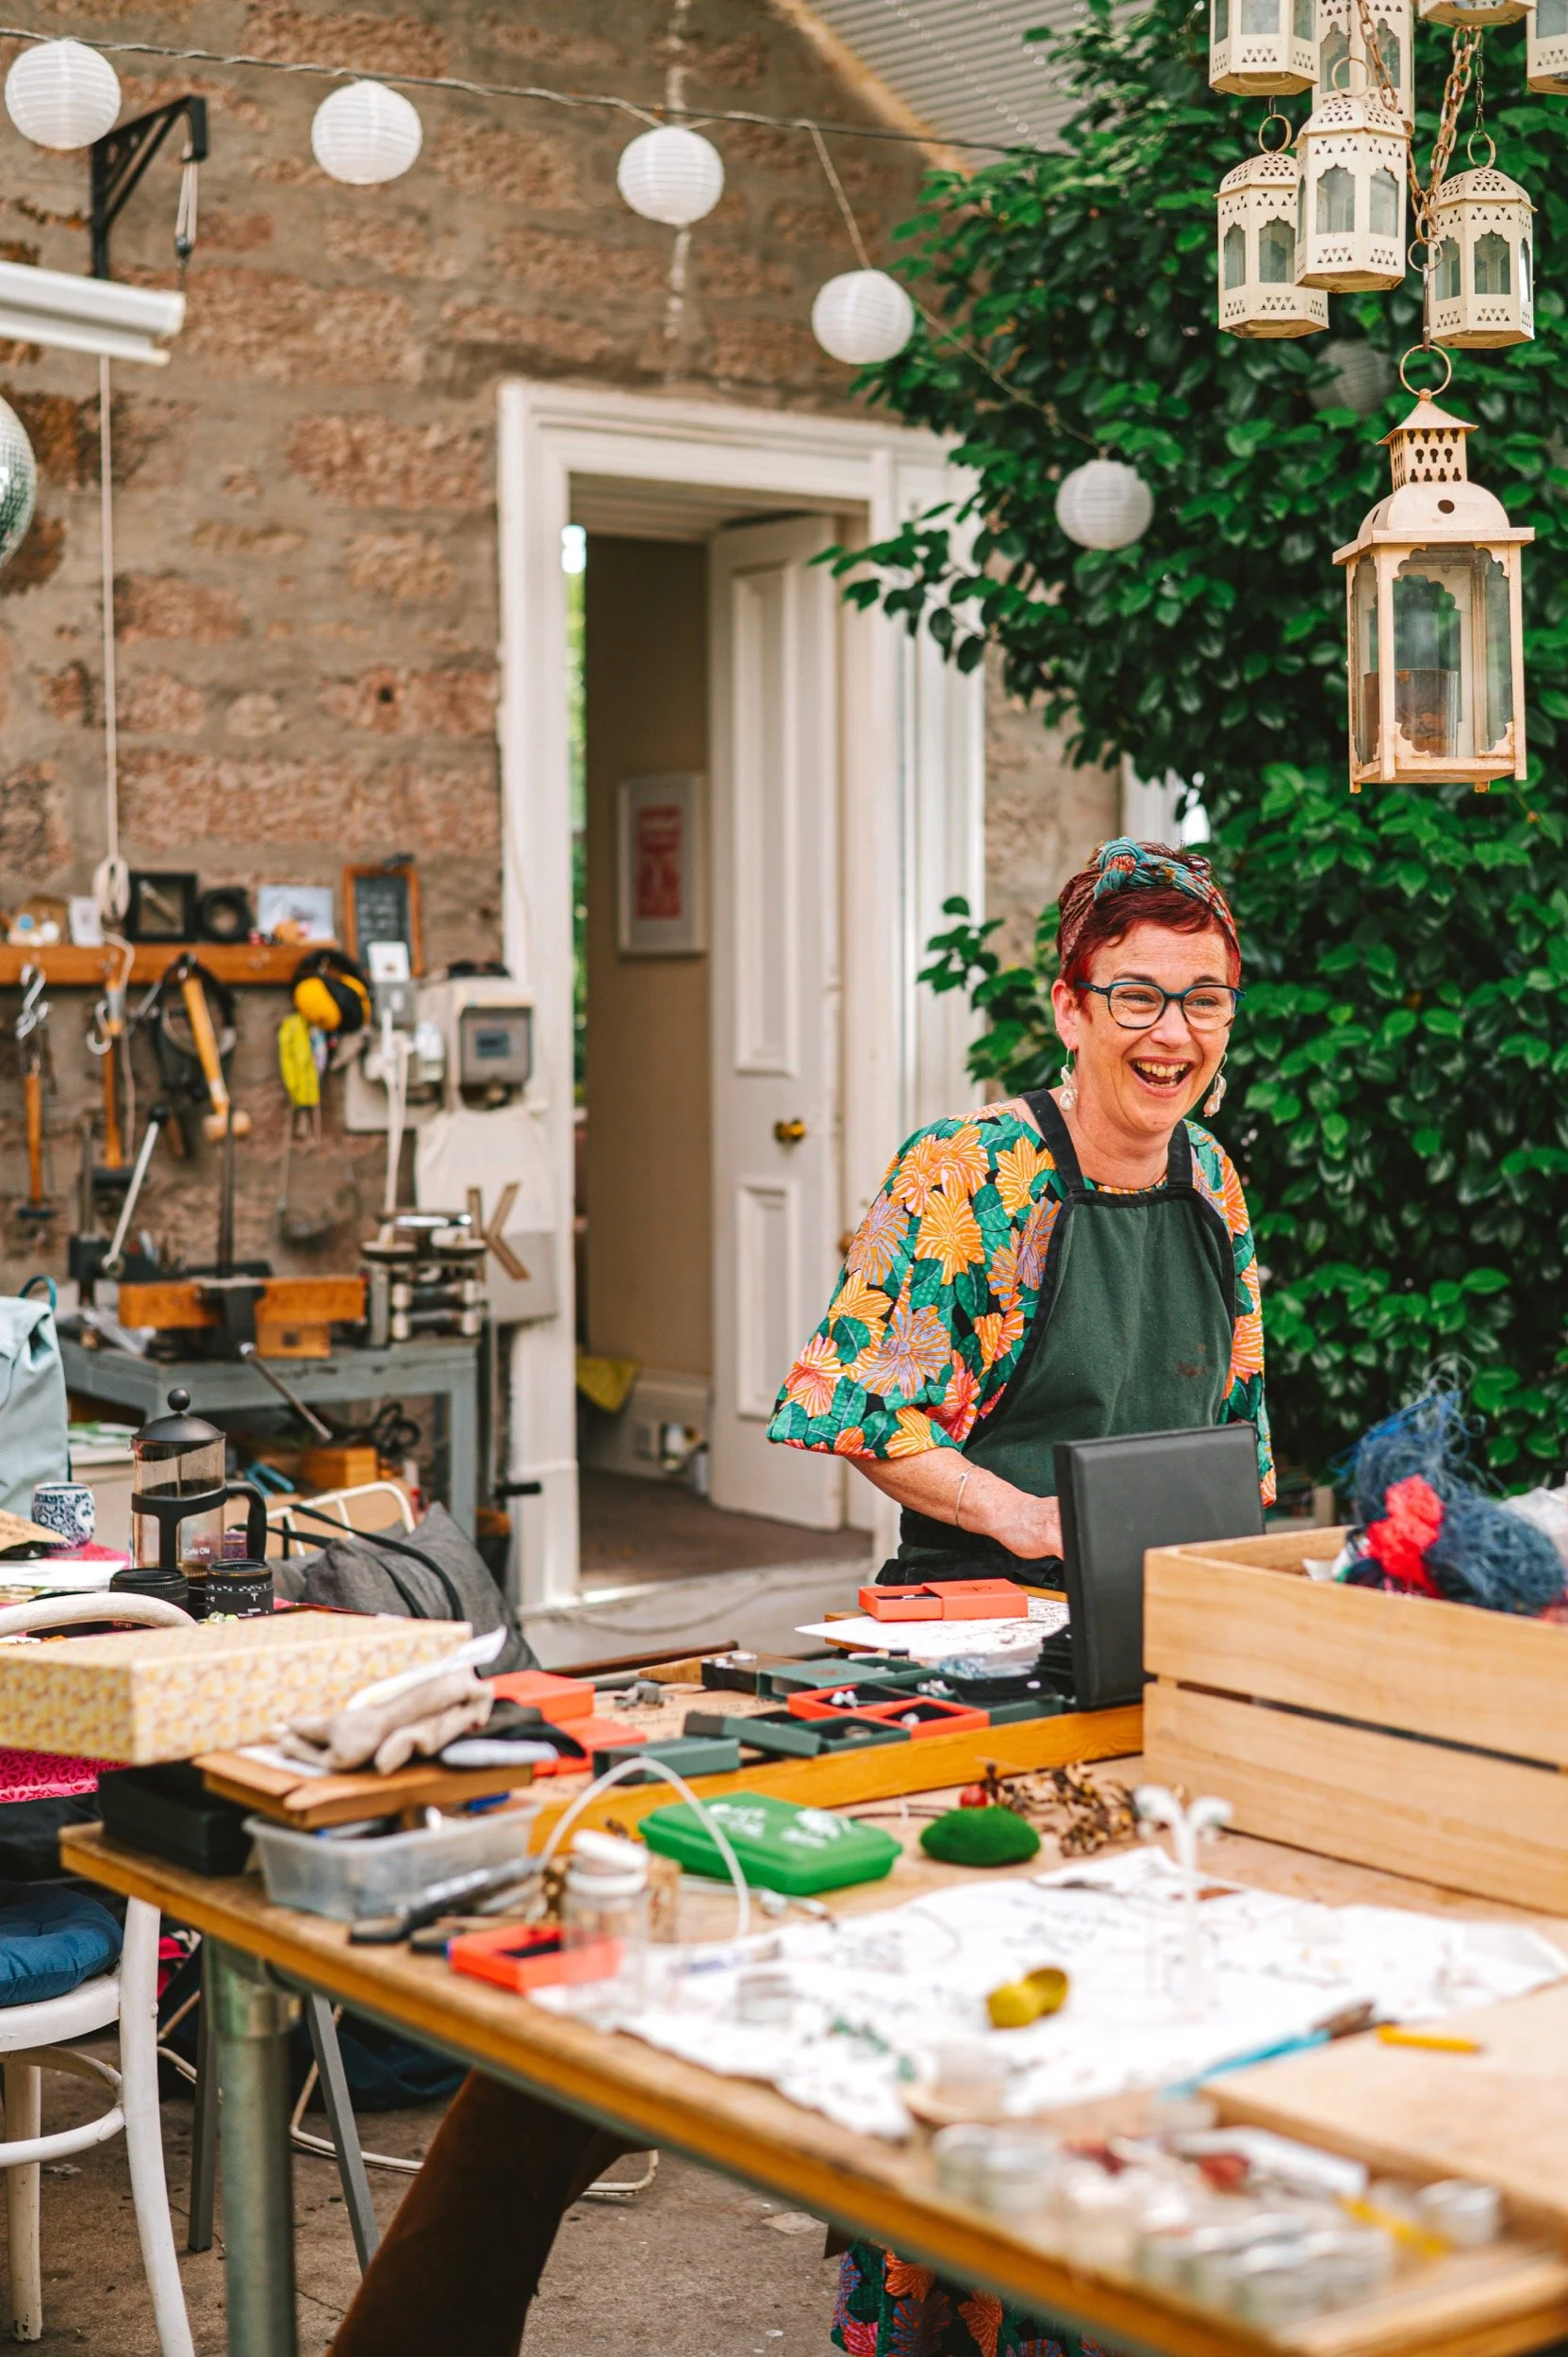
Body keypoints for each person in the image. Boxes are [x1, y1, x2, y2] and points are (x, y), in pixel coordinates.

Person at [767, 835, 1273, 2357]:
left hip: (1153, 1633)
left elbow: (1234, 1424)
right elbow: (861, 1410)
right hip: (973, 1645)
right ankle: (925, 2314)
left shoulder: (1210, 1183)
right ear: (1065, 1007)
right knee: (974, 1994)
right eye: (1132, 995)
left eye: (1201, 998)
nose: (1167, 1032)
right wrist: (1031, 1519)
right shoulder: (972, 1175)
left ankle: (1107, 2294)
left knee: (1138, 1996)